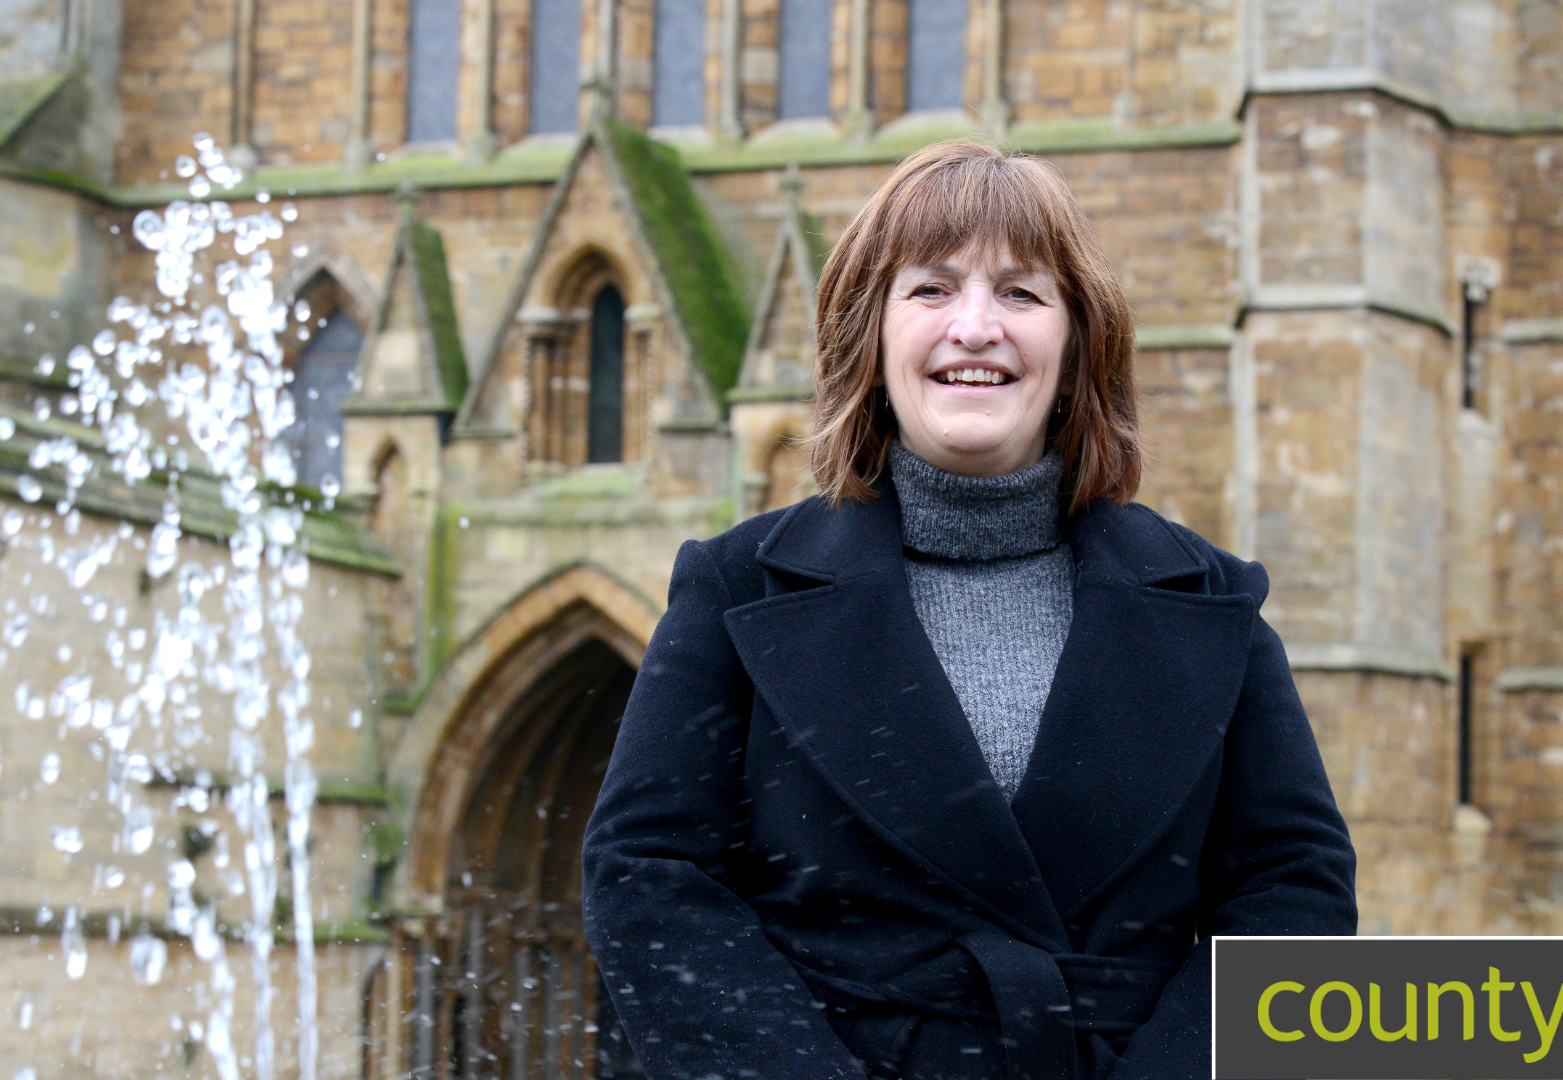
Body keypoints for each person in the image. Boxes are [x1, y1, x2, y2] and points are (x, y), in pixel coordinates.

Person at [580, 140, 1356, 1080]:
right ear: (870, 336)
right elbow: (649, 874)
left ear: (1076, 350)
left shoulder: (1214, 603)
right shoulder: (737, 590)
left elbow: (1292, 894)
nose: (976, 327)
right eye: (932, 290)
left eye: (1023, 294)